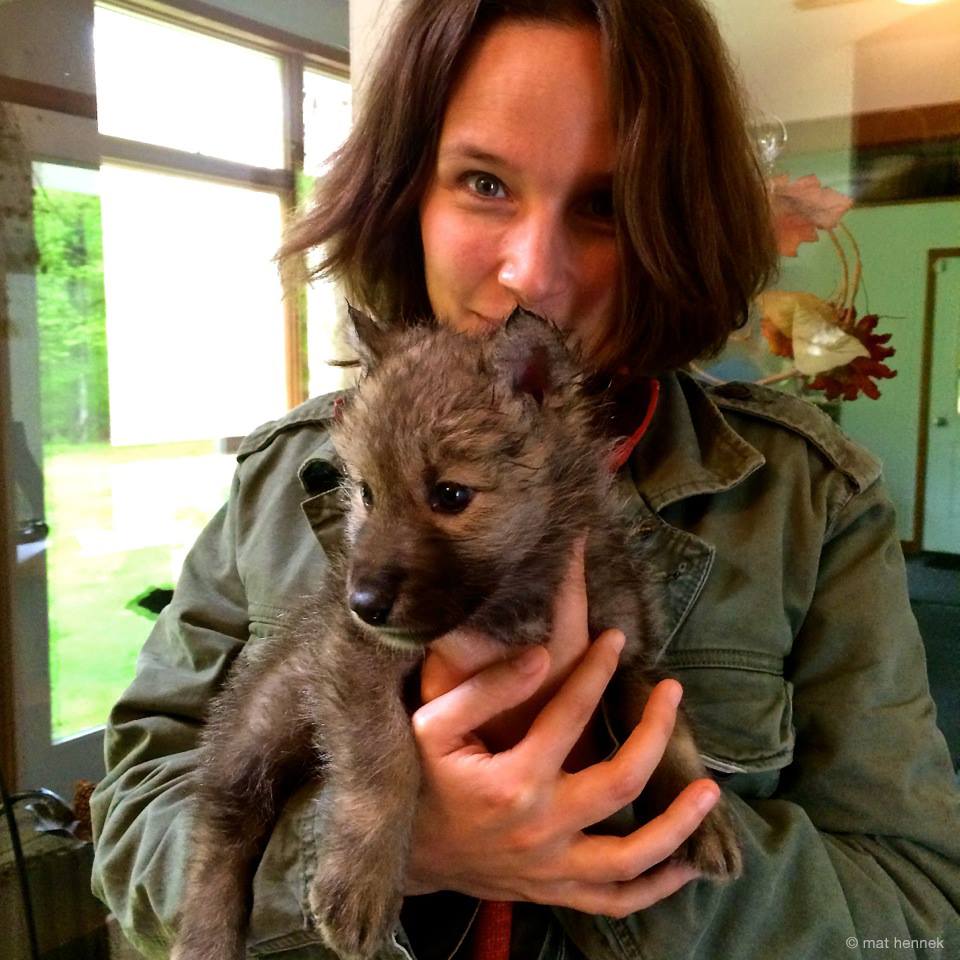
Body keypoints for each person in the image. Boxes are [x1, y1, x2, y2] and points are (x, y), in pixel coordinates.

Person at [90, 0, 960, 957]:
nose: (532, 275)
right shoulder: (272, 483)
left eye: (603, 205)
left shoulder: (810, 501)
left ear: (675, 221)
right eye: (483, 182)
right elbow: (135, 820)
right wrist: (407, 847)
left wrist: (595, 843)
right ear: (406, 192)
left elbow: (917, 909)